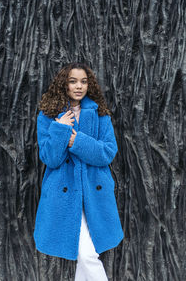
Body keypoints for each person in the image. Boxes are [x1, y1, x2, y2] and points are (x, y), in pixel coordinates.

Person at [33, 62, 124, 280]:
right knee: (85, 254)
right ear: (63, 84)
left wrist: (77, 142)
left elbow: (107, 152)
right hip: (65, 195)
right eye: (73, 81)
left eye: (83, 81)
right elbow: (50, 159)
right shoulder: (48, 117)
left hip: (94, 192)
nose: (78, 86)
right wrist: (60, 129)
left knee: (86, 254)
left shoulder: (100, 114)